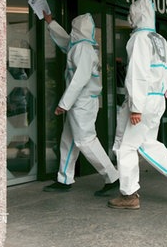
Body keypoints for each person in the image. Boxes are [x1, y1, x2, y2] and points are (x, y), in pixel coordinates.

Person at [107, 0, 167, 209]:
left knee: (125, 147)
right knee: (147, 143)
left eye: (131, 14)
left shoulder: (139, 38)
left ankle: (129, 195)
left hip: (142, 100)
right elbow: (163, 70)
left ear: (136, 15)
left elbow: (137, 73)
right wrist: (161, 93)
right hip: (156, 98)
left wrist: (136, 106)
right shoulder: (160, 40)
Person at [42, 11, 119, 196]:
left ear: (76, 28)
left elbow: (79, 79)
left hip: (81, 103)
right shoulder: (81, 45)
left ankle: (113, 176)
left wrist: (64, 103)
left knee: (85, 141)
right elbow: (65, 41)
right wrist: (51, 23)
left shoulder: (82, 48)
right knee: (68, 141)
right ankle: (64, 179)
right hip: (81, 102)